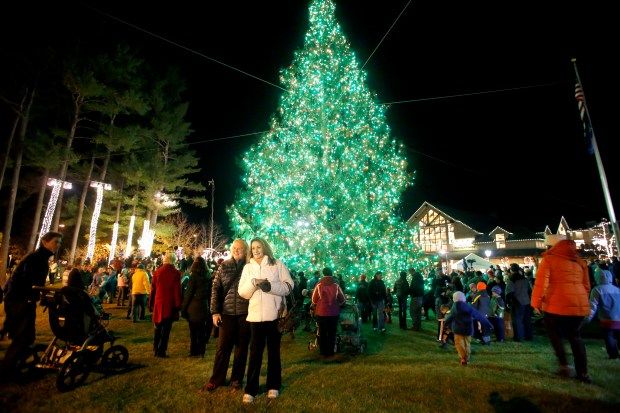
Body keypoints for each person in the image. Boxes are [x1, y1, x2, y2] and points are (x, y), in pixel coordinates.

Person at [238, 237, 294, 404]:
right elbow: (243, 292)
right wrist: (254, 285)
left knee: (274, 352)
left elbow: (289, 285)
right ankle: (251, 389)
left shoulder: (277, 264)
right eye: (253, 248)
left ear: (265, 247)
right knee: (254, 354)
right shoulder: (248, 267)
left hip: (274, 316)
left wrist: (270, 287)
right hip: (255, 318)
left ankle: (274, 385)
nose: (256, 250)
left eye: (259, 247)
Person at [0, 231, 62, 379]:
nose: (58, 245)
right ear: (45, 242)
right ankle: (7, 371)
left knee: (26, 336)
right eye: (56, 242)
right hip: (20, 301)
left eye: (60, 242)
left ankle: (16, 365)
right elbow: (27, 281)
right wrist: (32, 296)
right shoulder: (36, 258)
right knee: (22, 337)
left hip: (20, 300)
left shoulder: (39, 258)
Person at [531, 234, 591, 383]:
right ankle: (583, 373)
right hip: (578, 305)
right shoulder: (579, 261)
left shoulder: (549, 259)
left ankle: (564, 366)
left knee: (554, 334)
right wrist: (580, 300)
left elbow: (541, 283)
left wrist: (536, 303)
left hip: (555, 304)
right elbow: (586, 286)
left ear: (551, 246)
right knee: (575, 337)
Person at [203, 239, 251, 391]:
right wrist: (214, 312)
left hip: (245, 313)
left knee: (241, 348)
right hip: (227, 313)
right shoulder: (224, 265)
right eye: (235, 248)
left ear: (245, 250)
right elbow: (215, 289)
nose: (237, 250)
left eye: (240, 248)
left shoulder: (250, 267)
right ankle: (217, 378)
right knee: (223, 348)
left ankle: (236, 379)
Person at [444, 291, 493, 366]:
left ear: (454, 299)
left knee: (459, 344)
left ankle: (464, 358)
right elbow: (478, 315)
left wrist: (445, 324)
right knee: (467, 344)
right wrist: (488, 324)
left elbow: (450, 317)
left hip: (458, 329)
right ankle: (467, 358)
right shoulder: (468, 306)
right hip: (468, 329)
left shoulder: (454, 307)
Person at [149, 254, 182, 358]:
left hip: (158, 302)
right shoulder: (176, 273)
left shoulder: (157, 272)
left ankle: (155, 347)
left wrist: (150, 302)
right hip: (169, 303)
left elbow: (153, 289)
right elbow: (177, 290)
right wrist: (178, 304)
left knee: (158, 327)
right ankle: (161, 350)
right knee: (166, 329)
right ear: (173, 260)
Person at [181, 256, 212, 358]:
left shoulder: (193, 277)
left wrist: (184, 308)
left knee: (193, 331)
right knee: (201, 330)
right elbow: (210, 293)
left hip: (194, 307)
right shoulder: (208, 276)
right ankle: (201, 351)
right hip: (204, 305)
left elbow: (189, 293)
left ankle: (194, 351)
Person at [311, 267, 346, 358]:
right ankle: (330, 351)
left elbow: (314, 300)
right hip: (333, 312)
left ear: (323, 273)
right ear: (331, 273)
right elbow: (342, 299)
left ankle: (323, 351)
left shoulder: (319, 284)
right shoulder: (336, 284)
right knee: (332, 332)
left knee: (322, 332)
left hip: (321, 312)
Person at [585, 269, 620, 359]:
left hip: (606, 319)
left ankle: (613, 355)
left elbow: (592, 307)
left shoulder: (597, 290)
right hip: (618, 318)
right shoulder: (617, 289)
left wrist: (587, 319)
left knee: (609, 338)